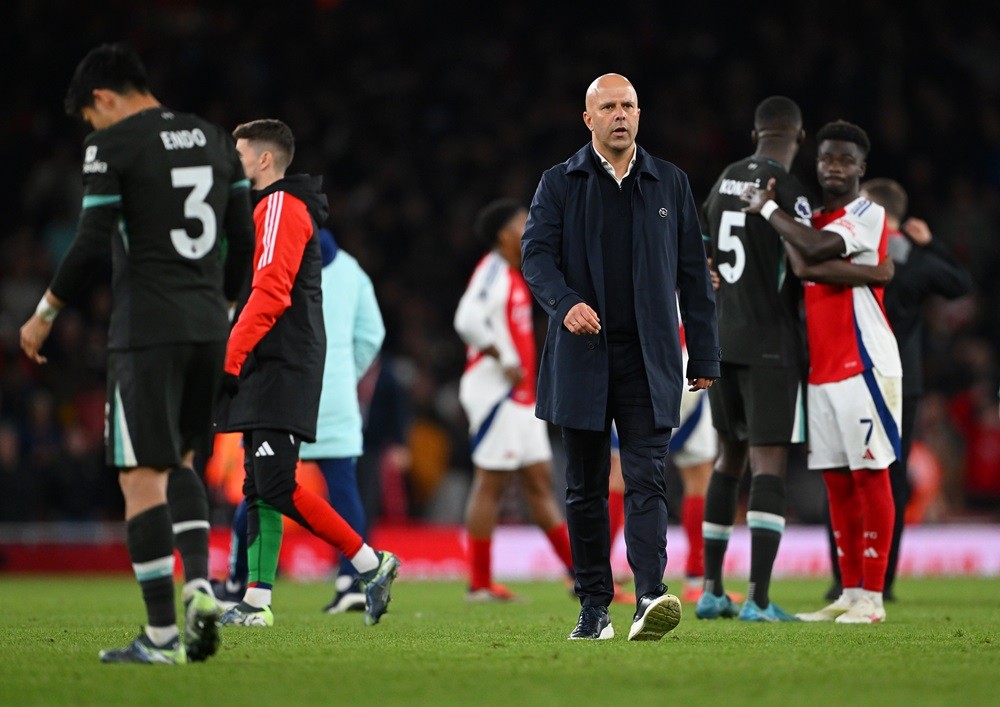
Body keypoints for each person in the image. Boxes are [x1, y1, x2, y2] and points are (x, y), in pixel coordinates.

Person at [19, 42, 254, 664]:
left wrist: (45, 313)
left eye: (90, 118)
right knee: (180, 461)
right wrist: (223, 307)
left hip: (146, 330)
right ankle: (201, 587)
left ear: (102, 98)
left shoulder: (113, 145)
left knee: (138, 475)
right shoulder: (213, 139)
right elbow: (244, 238)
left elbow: (92, 239)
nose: (92, 131)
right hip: (209, 326)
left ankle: (160, 638)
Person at [521, 73, 720, 641]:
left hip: (647, 359)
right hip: (581, 356)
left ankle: (651, 596)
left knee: (646, 479)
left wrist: (704, 350)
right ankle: (594, 609)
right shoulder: (559, 182)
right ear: (588, 119)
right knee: (584, 488)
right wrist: (564, 304)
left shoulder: (671, 183)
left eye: (628, 105)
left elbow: (693, 274)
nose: (620, 115)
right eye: (608, 106)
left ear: (639, 114)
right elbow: (535, 257)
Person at [215, 119, 398, 628]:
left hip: (280, 367)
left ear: (265, 160)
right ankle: (256, 601)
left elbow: (271, 293)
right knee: (259, 486)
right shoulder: (268, 209)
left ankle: (369, 562)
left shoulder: (279, 206)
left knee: (274, 484)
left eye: (240, 152)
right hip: (271, 364)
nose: (234, 162)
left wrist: (229, 361)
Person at [742, 119, 902, 624]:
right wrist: (872, 273)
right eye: (827, 158)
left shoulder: (866, 212)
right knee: (837, 482)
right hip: (823, 369)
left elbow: (810, 257)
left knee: (870, 477)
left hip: (865, 363)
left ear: (861, 168)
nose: (834, 167)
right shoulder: (822, 217)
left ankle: (873, 598)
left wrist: (769, 209)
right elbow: (808, 259)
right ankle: (850, 592)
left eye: (844, 160)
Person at [819, 178, 973, 601]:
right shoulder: (911, 259)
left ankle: (846, 579)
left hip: (854, 373)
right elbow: (960, 285)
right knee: (890, 477)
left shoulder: (860, 252)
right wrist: (930, 245)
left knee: (849, 473)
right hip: (900, 382)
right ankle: (880, 582)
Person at [697, 96, 812, 622]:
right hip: (770, 341)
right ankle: (759, 600)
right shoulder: (786, 190)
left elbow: (692, 241)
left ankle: (711, 590)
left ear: (755, 133)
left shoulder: (723, 179)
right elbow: (809, 261)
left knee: (727, 458)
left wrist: (706, 269)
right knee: (769, 463)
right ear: (799, 137)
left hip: (721, 338)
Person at [453, 198, 576, 602]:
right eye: (523, 222)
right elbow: (466, 320)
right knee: (490, 482)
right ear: (505, 234)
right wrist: (503, 358)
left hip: (521, 397)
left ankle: (580, 575)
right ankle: (479, 584)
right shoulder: (492, 272)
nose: (530, 227)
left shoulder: (512, 274)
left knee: (539, 481)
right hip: (497, 395)